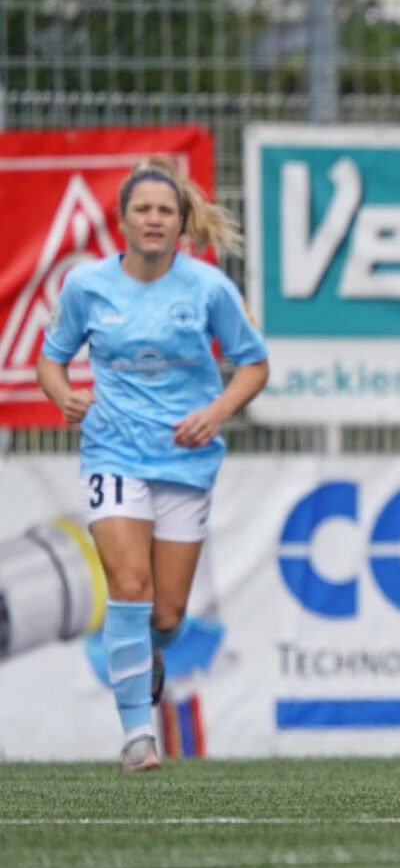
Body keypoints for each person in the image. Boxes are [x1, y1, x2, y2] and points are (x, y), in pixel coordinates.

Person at [36, 155, 269, 773]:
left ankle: (150, 648)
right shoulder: (87, 286)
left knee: (165, 615)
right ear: (123, 220)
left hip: (185, 463)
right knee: (129, 588)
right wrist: (65, 397)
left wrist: (216, 412)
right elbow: (50, 360)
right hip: (112, 452)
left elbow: (254, 365)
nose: (154, 219)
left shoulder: (209, 288)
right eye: (143, 209)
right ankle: (138, 735)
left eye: (165, 210)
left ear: (181, 220)